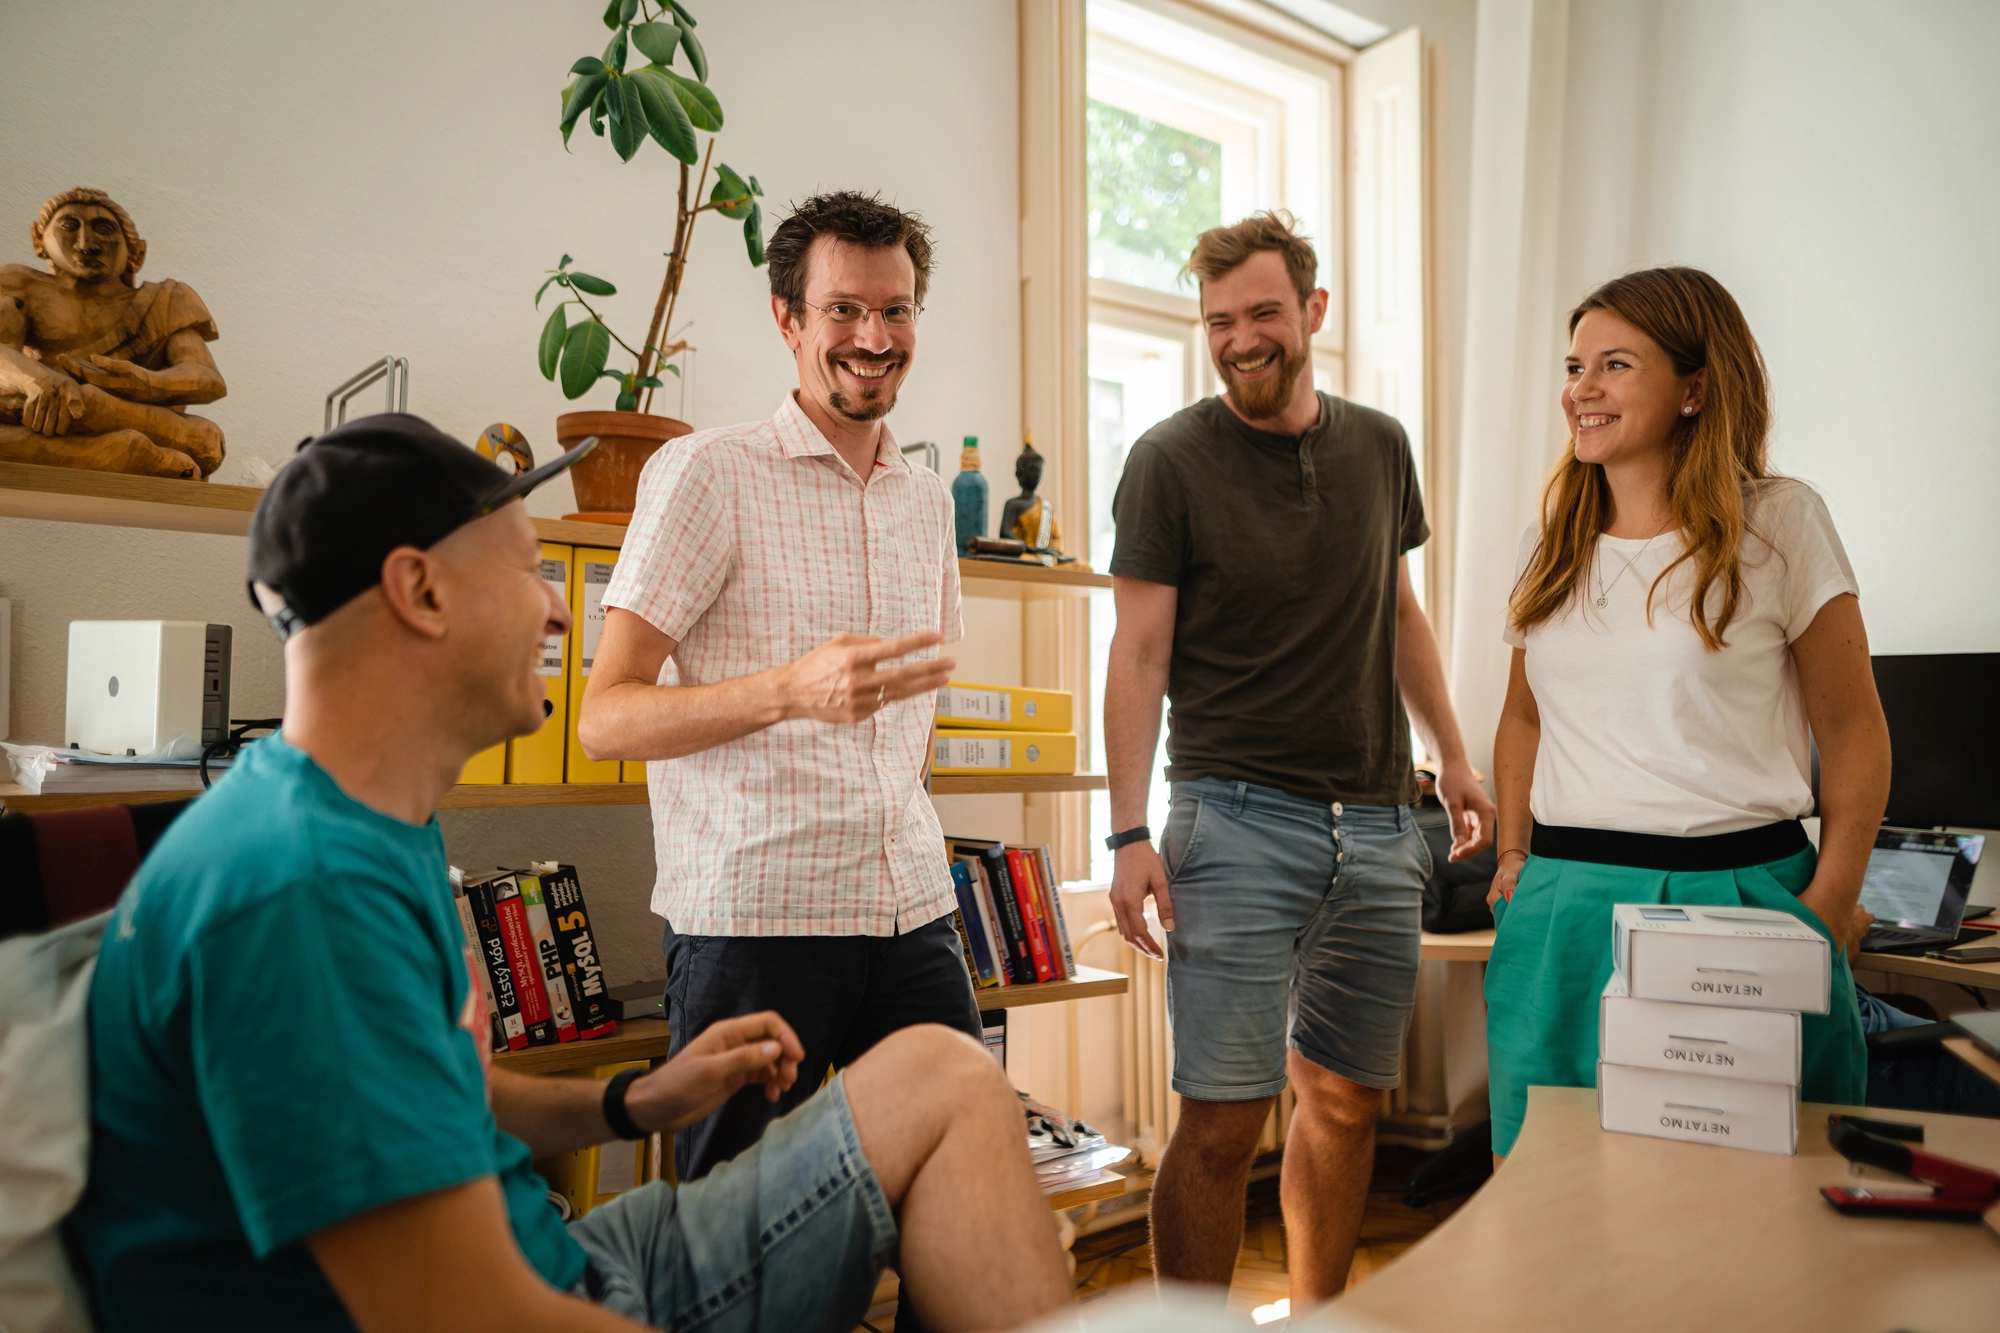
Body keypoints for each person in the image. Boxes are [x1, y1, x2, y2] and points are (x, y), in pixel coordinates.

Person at [67, 414, 1071, 1333]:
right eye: (530, 572)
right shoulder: (300, 890)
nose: (558, 614)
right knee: (969, 1149)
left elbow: (440, 1095)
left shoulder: (369, 822)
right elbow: (461, 1312)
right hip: (544, 1295)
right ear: (420, 592)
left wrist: (636, 1100)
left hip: (562, 1254)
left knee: (948, 1075)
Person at [1102, 211, 1495, 1312]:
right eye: (1217, 321)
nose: (1238, 340)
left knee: (1343, 1104)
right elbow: (1135, 652)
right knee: (1223, 1123)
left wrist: (1452, 756)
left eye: (1261, 313)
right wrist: (1128, 830)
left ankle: (1323, 1314)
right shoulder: (1168, 461)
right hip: (1230, 821)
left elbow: (1398, 610)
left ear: (1311, 312)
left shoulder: (1379, 446)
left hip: (1377, 826)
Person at [577, 190, 978, 1185]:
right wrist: (789, 693)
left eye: (895, 310)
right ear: (787, 317)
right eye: (843, 308)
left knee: (957, 1190)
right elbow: (604, 716)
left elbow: (913, 718)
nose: (872, 336)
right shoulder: (702, 472)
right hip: (755, 928)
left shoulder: (927, 500)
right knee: (739, 1249)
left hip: (911, 911)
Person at [1483, 266, 1888, 1160]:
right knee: (1548, 1195)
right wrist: (1516, 854)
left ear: (1697, 387)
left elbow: (1854, 728)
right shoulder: (1549, 544)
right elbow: (1521, 717)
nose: (1580, 390)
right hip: (1562, 908)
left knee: (1751, 1197)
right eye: (1574, 365)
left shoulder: (1781, 522)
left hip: (1739, 899)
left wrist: (1831, 899)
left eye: (1614, 365)